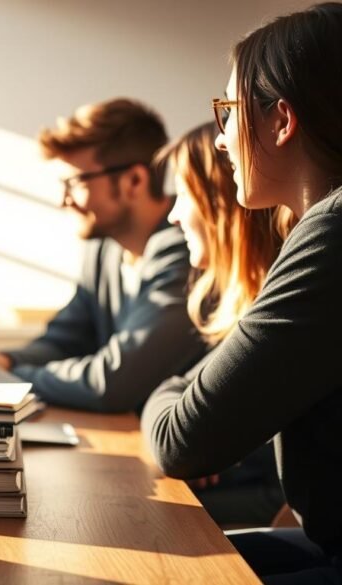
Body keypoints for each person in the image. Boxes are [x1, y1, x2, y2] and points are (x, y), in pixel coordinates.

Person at [142, 4, 342, 581]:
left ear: (281, 121)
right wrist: (180, 397)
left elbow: (183, 440)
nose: (222, 139)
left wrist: (165, 396)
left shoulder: (332, 233)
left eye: (227, 112)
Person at [0, 99, 206, 413]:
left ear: (134, 181)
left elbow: (112, 383)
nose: (63, 201)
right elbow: (63, 341)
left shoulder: (188, 252)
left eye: (75, 183)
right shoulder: (103, 249)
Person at [157, 122, 288, 527]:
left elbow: (174, 437)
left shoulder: (282, 313)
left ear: (222, 204)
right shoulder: (246, 308)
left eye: (182, 195)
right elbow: (167, 400)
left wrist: (199, 442)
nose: (174, 216)